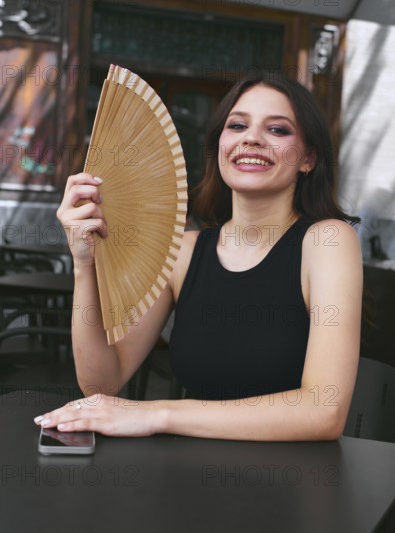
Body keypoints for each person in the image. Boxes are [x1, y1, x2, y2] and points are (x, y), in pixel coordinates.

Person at [34, 73, 363, 441]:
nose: (251, 137)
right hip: (188, 477)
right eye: (237, 125)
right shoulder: (185, 251)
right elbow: (102, 383)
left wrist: (155, 413)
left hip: (288, 482)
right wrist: (84, 265)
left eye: (278, 130)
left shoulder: (328, 241)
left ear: (308, 158)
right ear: (219, 147)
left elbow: (324, 411)